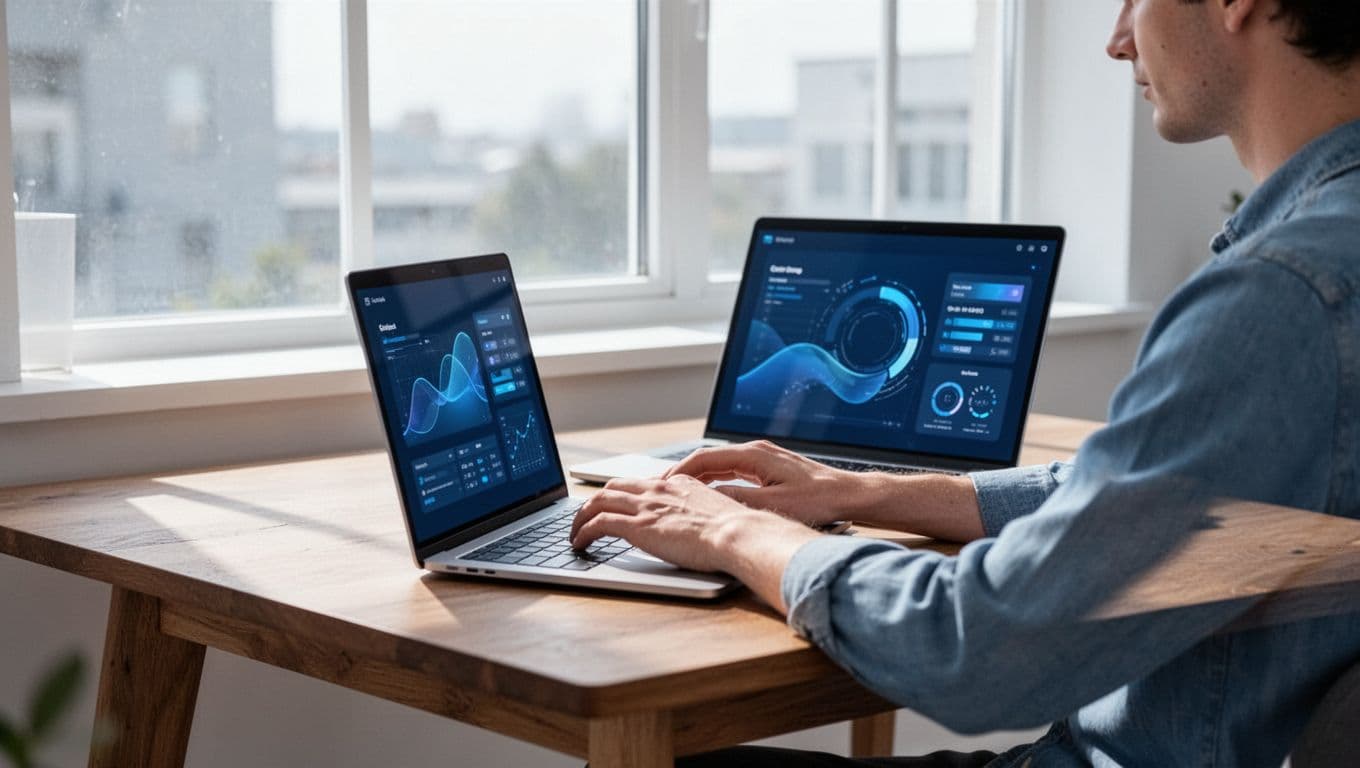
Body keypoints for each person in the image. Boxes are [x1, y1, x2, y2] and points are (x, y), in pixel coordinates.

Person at [571, 0, 1360, 765]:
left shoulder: (1283, 295)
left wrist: (731, 532)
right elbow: (1135, 504)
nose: (1118, 40)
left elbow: (981, 647)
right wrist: (855, 490)